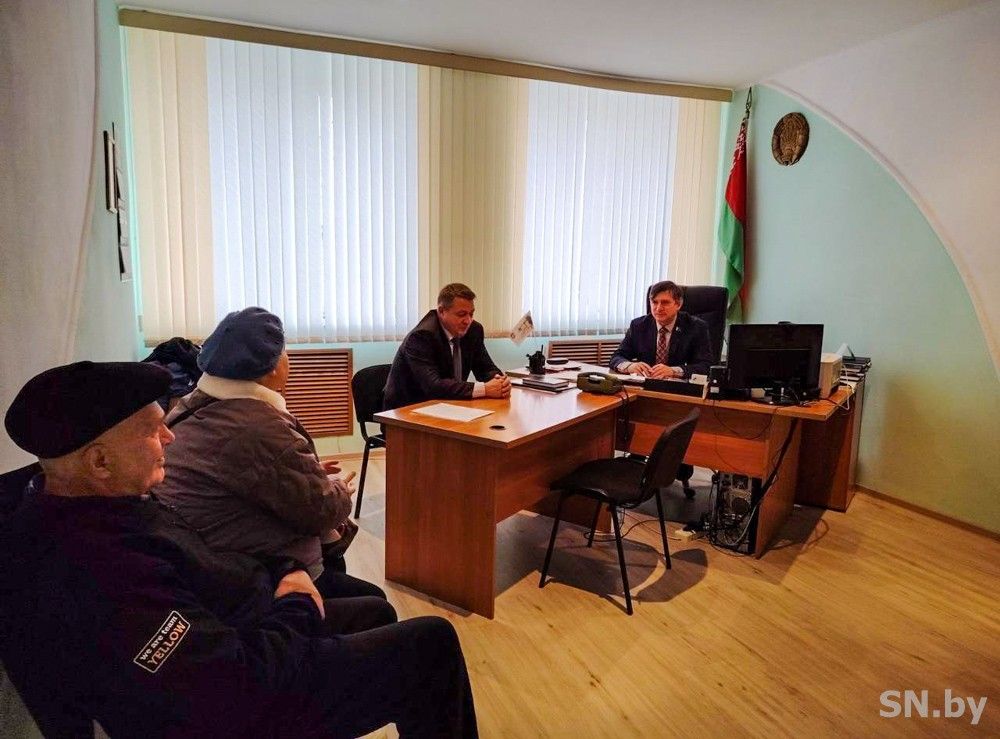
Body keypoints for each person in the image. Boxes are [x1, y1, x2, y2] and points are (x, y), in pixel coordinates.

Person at [0, 361, 478, 737]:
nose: (169, 436)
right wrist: (295, 604)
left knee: (374, 610)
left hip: (245, 624)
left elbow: (208, 558)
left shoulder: (103, 498)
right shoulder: (94, 568)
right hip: (242, 696)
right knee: (430, 644)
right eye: (151, 430)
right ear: (100, 461)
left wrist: (284, 568)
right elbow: (229, 687)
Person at [155, 307, 372, 600]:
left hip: (200, 560)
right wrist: (339, 489)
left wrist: (303, 473)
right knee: (377, 602)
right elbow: (322, 510)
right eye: (285, 352)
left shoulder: (189, 404)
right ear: (272, 366)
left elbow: (244, 471)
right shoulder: (260, 426)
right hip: (250, 577)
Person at [384, 283, 510, 410]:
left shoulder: (473, 330)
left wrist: (500, 382)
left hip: (449, 405)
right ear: (441, 311)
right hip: (409, 409)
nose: (468, 321)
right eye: (461, 314)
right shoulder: (421, 337)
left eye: (471, 314)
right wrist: (484, 389)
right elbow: (434, 386)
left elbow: (485, 368)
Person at [609, 280, 713, 379]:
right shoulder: (638, 325)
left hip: (679, 387)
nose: (658, 308)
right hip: (644, 384)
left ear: (678, 304)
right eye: (654, 302)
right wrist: (629, 366)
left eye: (665, 303)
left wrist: (674, 371)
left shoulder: (696, 327)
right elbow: (616, 357)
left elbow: (706, 366)